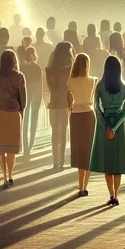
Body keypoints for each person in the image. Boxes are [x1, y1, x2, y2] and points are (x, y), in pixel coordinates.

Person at [89, 56, 125, 206]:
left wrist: (106, 126)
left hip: (104, 124)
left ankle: (111, 194)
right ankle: (117, 192)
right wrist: (115, 128)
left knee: (108, 162)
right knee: (118, 162)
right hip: (120, 127)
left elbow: (96, 108)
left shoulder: (100, 85)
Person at [0, 49, 27, 187]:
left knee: (0, 148)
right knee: (11, 149)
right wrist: (20, 111)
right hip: (13, 115)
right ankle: (11, 175)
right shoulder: (20, 76)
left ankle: (4, 176)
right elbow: (23, 98)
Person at [68, 53, 97, 197]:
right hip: (89, 115)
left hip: (76, 115)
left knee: (79, 150)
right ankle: (85, 184)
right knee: (89, 150)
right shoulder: (93, 80)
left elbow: (68, 101)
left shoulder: (70, 81)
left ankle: (80, 185)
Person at [45, 42, 73, 170]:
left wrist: (53, 92)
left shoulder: (51, 68)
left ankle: (55, 161)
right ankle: (62, 160)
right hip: (64, 101)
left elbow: (48, 80)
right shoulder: (69, 66)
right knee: (63, 131)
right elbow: (69, 84)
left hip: (54, 101)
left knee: (55, 131)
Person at [19, 44, 44, 156]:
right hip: (32, 97)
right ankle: (28, 147)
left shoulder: (22, 67)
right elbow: (39, 85)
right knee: (31, 122)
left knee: (25, 123)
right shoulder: (37, 68)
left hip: (25, 97)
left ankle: (27, 148)